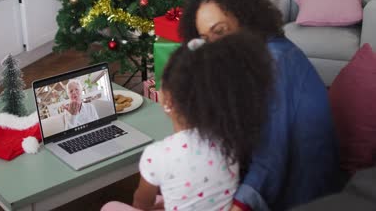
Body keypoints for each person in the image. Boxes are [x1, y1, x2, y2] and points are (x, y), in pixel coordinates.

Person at [178, 0, 340, 211]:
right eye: (206, 39)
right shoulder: (252, 54)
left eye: (220, 31)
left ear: (245, 18)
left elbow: (270, 160)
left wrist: (237, 205)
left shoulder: (274, 62)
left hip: (301, 191)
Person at [101, 32, 274, 211]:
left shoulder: (156, 155)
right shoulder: (231, 141)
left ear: (167, 100)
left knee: (110, 206)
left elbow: (141, 203)